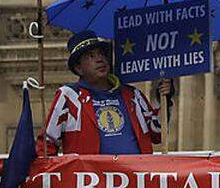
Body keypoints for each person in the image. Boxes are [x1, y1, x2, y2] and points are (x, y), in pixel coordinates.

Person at [38, 31, 173, 155]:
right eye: (91, 56)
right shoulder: (69, 96)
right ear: (79, 68)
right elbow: (46, 144)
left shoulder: (132, 95)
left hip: (133, 177)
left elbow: (158, 134)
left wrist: (165, 100)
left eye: (101, 54)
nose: (99, 59)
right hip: (90, 180)